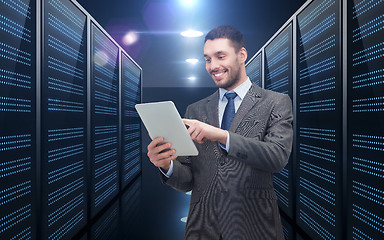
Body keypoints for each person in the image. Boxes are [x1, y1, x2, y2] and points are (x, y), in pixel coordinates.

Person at [147, 25, 293, 240]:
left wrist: (222, 136)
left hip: (256, 228)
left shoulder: (275, 102)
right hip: (203, 228)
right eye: (207, 59)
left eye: (220, 56)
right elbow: (187, 179)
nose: (213, 66)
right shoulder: (195, 110)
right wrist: (166, 165)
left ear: (241, 55)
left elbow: (277, 157)